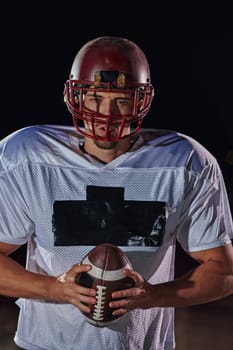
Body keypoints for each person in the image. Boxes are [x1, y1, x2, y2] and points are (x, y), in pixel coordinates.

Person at [0, 36, 233, 350]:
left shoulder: (186, 163)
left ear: (141, 101)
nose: (107, 113)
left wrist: (153, 296)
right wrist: (56, 289)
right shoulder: (26, 156)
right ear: (76, 96)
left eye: (121, 99)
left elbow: (224, 272)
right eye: (95, 97)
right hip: (46, 344)